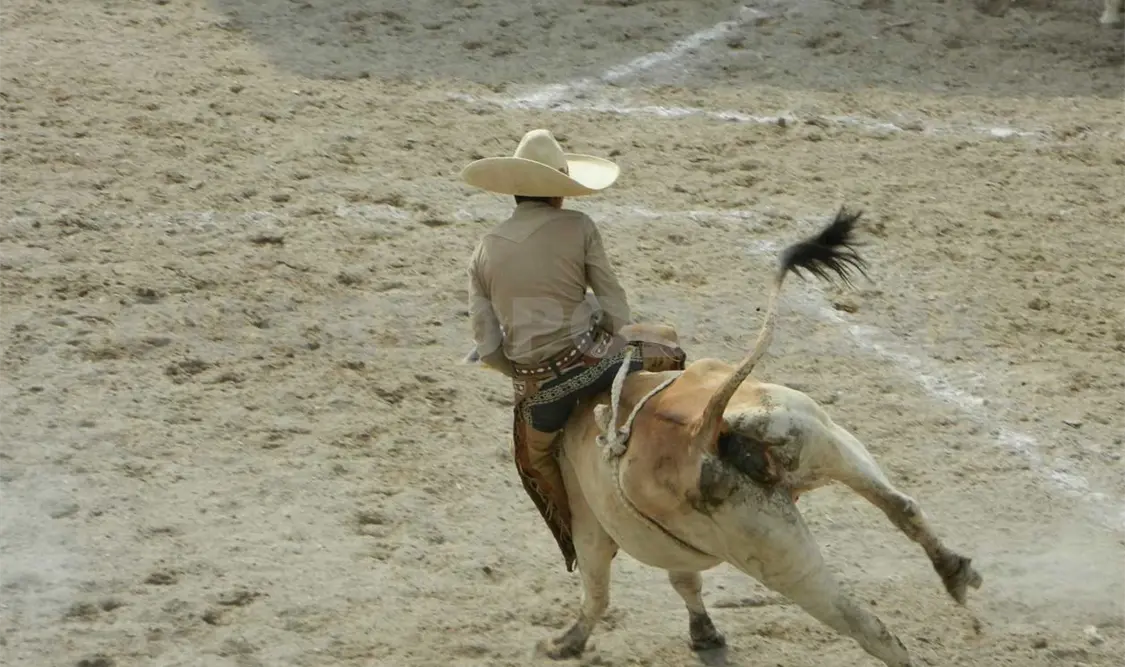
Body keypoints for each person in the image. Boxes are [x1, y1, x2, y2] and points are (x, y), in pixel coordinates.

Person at [461, 129, 686, 572]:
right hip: (599, 363)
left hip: (542, 394)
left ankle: (576, 546)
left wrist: (522, 374)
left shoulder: (483, 251)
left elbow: (487, 348)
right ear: (560, 195)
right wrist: (606, 334)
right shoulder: (580, 227)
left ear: (515, 193)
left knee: (533, 463)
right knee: (673, 353)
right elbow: (616, 308)